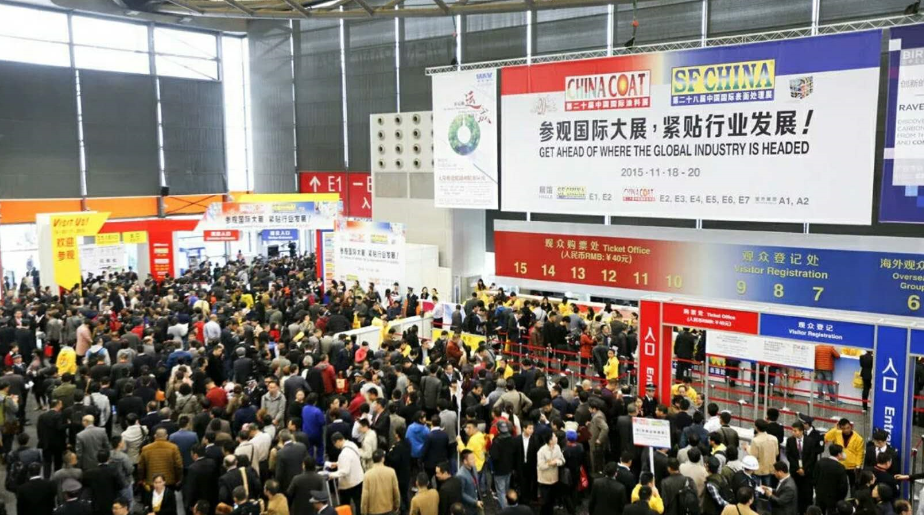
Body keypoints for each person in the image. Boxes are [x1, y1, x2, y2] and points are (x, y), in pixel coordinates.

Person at [329, 432, 364, 514]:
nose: (335, 446)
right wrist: (338, 463)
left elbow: (344, 471)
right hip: (359, 479)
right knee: (358, 504)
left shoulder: (344, 454)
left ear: (338, 441)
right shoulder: (352, 444)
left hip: (349, 484)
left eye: (334, 444)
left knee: (345, 505)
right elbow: (351, 459)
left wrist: (331, 475)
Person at [361, 449, 401, 515]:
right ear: (383, 459)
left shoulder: (367, 475)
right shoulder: (391, 472)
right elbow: (396, 490)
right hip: (388, 508)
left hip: (373, 511)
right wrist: (397, 505)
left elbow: (365, 496)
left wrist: (364, 511)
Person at [814, 444, 849, 515]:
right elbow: (843, 486)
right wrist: (841, 499)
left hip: (820, 496)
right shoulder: (840, 467)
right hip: (834, 499)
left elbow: (815, 478)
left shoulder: (820, 462)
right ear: (839, 454)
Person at [537, 432, 565, 515]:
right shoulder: (541, 451)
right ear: (550, 441)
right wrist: (549, 464)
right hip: (544, 481)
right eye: (554, 437)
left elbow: (563, 460)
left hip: (554, 479)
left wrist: (557, 462)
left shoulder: (557, 447)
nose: (556, 438)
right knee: (545, 502)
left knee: (552, 501)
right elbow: (541, 466)